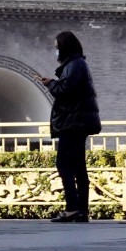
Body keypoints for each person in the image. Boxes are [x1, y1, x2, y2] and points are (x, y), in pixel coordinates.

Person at [35, 32, 101, 223]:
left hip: (73, 122)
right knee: (78, 167)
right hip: (79, 121)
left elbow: (66, 91)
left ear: (65, 47)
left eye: (57, 47)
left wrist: (51, 84)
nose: (56, 51)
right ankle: (81, 210)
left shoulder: (74, 65)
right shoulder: (79, 63)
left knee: (64, 164)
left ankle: (72, 208)